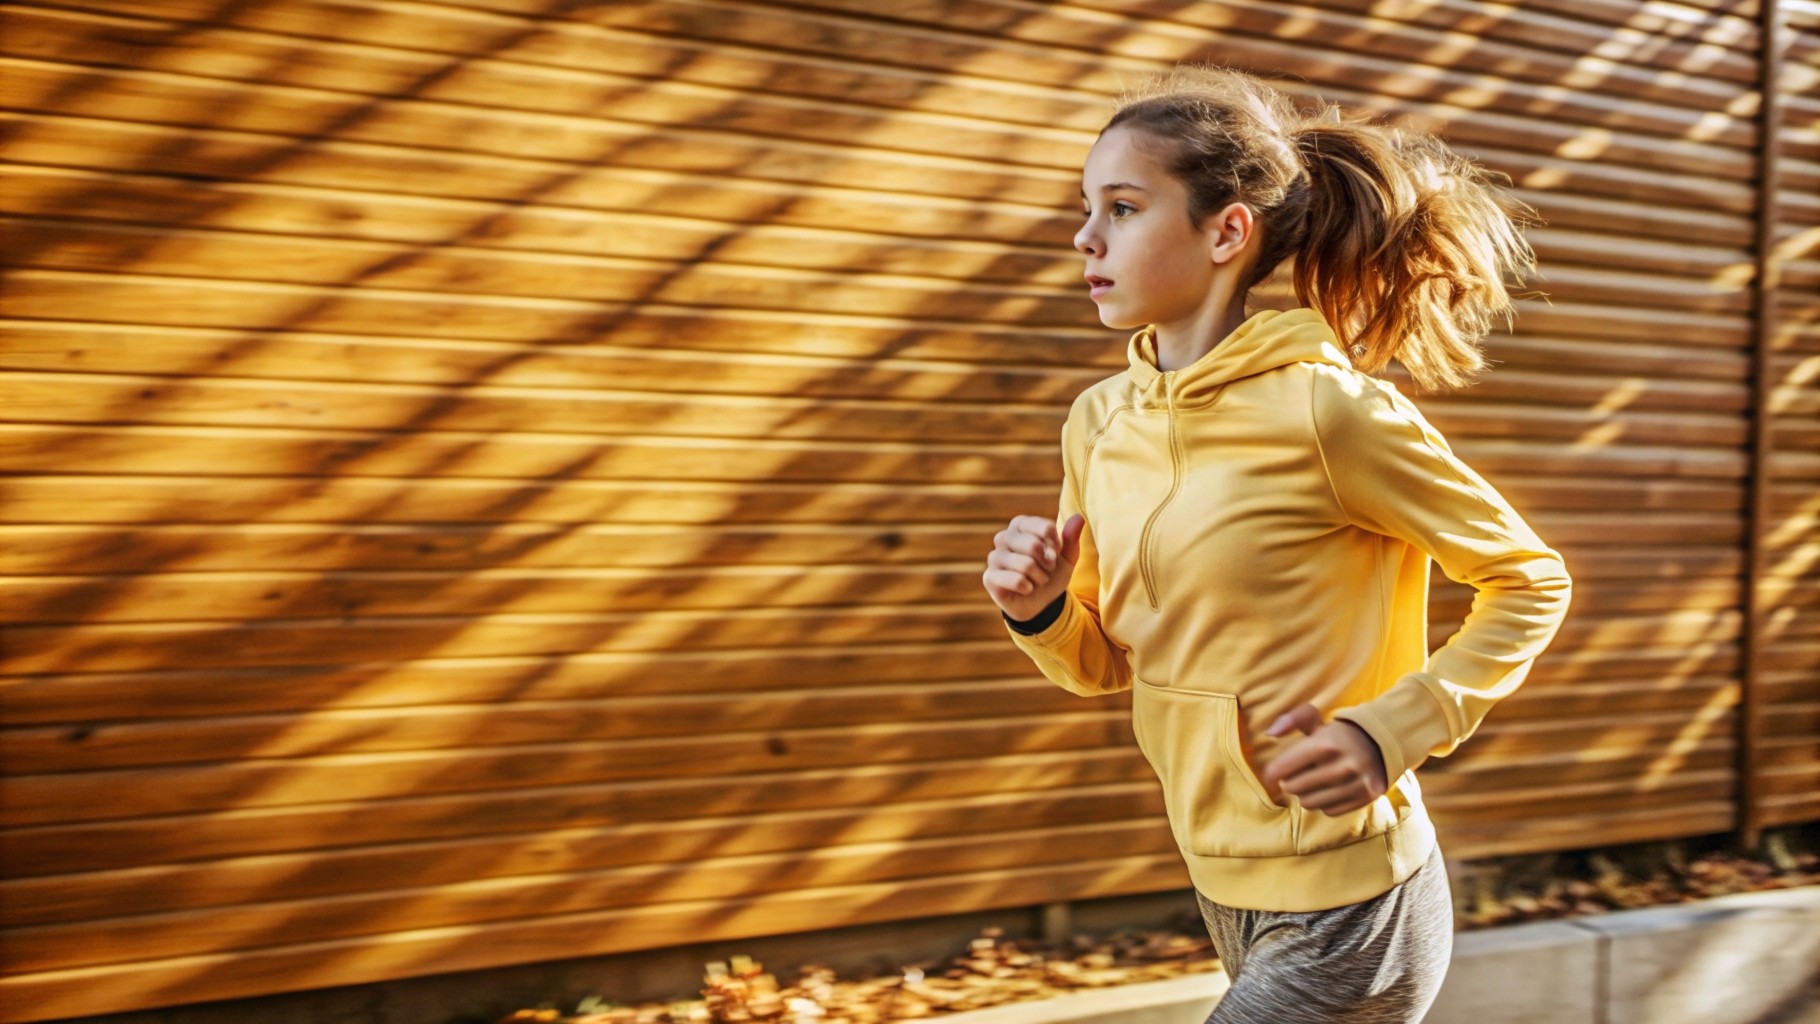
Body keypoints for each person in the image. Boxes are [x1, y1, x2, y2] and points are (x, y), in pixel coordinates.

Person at [980, 64, 1574, 1023]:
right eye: (1087, 208)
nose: (1086, 238)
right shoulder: (1098, 423)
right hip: (1222, 882)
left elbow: (1529, 579)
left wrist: (1391, 733)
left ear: (1226, 231)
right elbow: (1103, 668)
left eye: (1123, 207)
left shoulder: (1327, 414)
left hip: (1354, 904)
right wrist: (1041, 610)